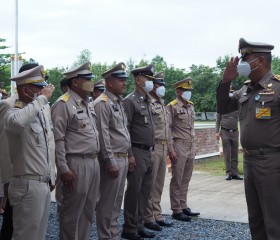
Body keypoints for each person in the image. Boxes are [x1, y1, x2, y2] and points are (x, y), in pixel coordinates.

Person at [216, 38, 280, 240]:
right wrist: (225, 82)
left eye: (246, 58)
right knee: (256, 219)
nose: (241, 62)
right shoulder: (245, 89)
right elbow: (224, 107)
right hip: (250, 161)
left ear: (260, 61)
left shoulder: (277, 88)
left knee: (274, 220)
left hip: (272, 163)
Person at [4, 65, 56, 240]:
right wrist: (41, 100)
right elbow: (17, 124)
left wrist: (51, 175)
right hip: (26, 185)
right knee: (25, 236)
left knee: (37, 236)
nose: (43, 90)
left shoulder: (38, 112)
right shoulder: (13, 112)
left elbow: (47, 146)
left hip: (42, 183)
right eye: (38, 87)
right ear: (26, 90)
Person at [51, 61, 100, 240]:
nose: (91, 82)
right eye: (87, 79)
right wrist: (63, 168)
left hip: (92, 162)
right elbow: (58, 139)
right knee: (72, 213)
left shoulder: (87, 103)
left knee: (88, 210)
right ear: (75, 82)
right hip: (75, 163)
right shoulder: (63, 104)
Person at [0, 63, 38, 240]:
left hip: (36, 174)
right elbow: (4, 145)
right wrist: (7, 180)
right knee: (12, 225)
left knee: (33, 226)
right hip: (17, 176)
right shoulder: (9, 105)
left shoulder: (38, 104)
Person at [94, 62, 131, 240]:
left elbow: (123, 131)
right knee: (107, 204)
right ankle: (106, 236)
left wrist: (129, 154)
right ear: (109, 82)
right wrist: (109, 161)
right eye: (120, 80)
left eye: (125, 79)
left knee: (116, 203)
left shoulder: (118, 102)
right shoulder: (102, 103)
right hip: (113, 160)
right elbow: (103, 135)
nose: (125, 83)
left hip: (122, 158)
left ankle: (113, 235)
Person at [121, 64, 156, 240]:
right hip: (136, 150)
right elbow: (125, 129)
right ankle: (129, 228)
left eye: (151, 79)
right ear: (138, 80)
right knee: (134, 191)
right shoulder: (130, 101)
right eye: (147, 79)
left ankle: (139, 224)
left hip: (148, 152)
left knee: (145, 191)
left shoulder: (147, 100)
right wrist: (129, 154)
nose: (150, 82)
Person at [166, 78, 200, 222]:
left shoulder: (190, 106)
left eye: (189, 90)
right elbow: (167, 128)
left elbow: (191, 127)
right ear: (178, 91)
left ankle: (183, 204)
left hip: (190, 144)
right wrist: (170, 149)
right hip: (179, 145)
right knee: (177, 178)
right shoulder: (172, 106)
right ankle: (176, 209)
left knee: (186, 178)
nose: (188, 93)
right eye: (186, 90)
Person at [144, 72, 172, 231]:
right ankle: (148, 217)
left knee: (159, 183)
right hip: (153, 146)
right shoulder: (148, 102)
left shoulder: (161, 102)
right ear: (152, 85)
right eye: (158, 84)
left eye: (162, 84)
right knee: (150, 183)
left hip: (163, 146)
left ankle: (157, 214)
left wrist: (169, 147)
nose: (161, 87)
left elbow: (167, 128)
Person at [216, 85, 243, 181]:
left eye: (232, 92)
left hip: (235, 131)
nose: (230, 94)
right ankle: (228, 173)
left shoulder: (237, 106)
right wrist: (216, 132)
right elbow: (218, 120)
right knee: (227, 153)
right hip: (224, 131)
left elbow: (242, 118)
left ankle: (235, 173)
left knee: (235, 153)